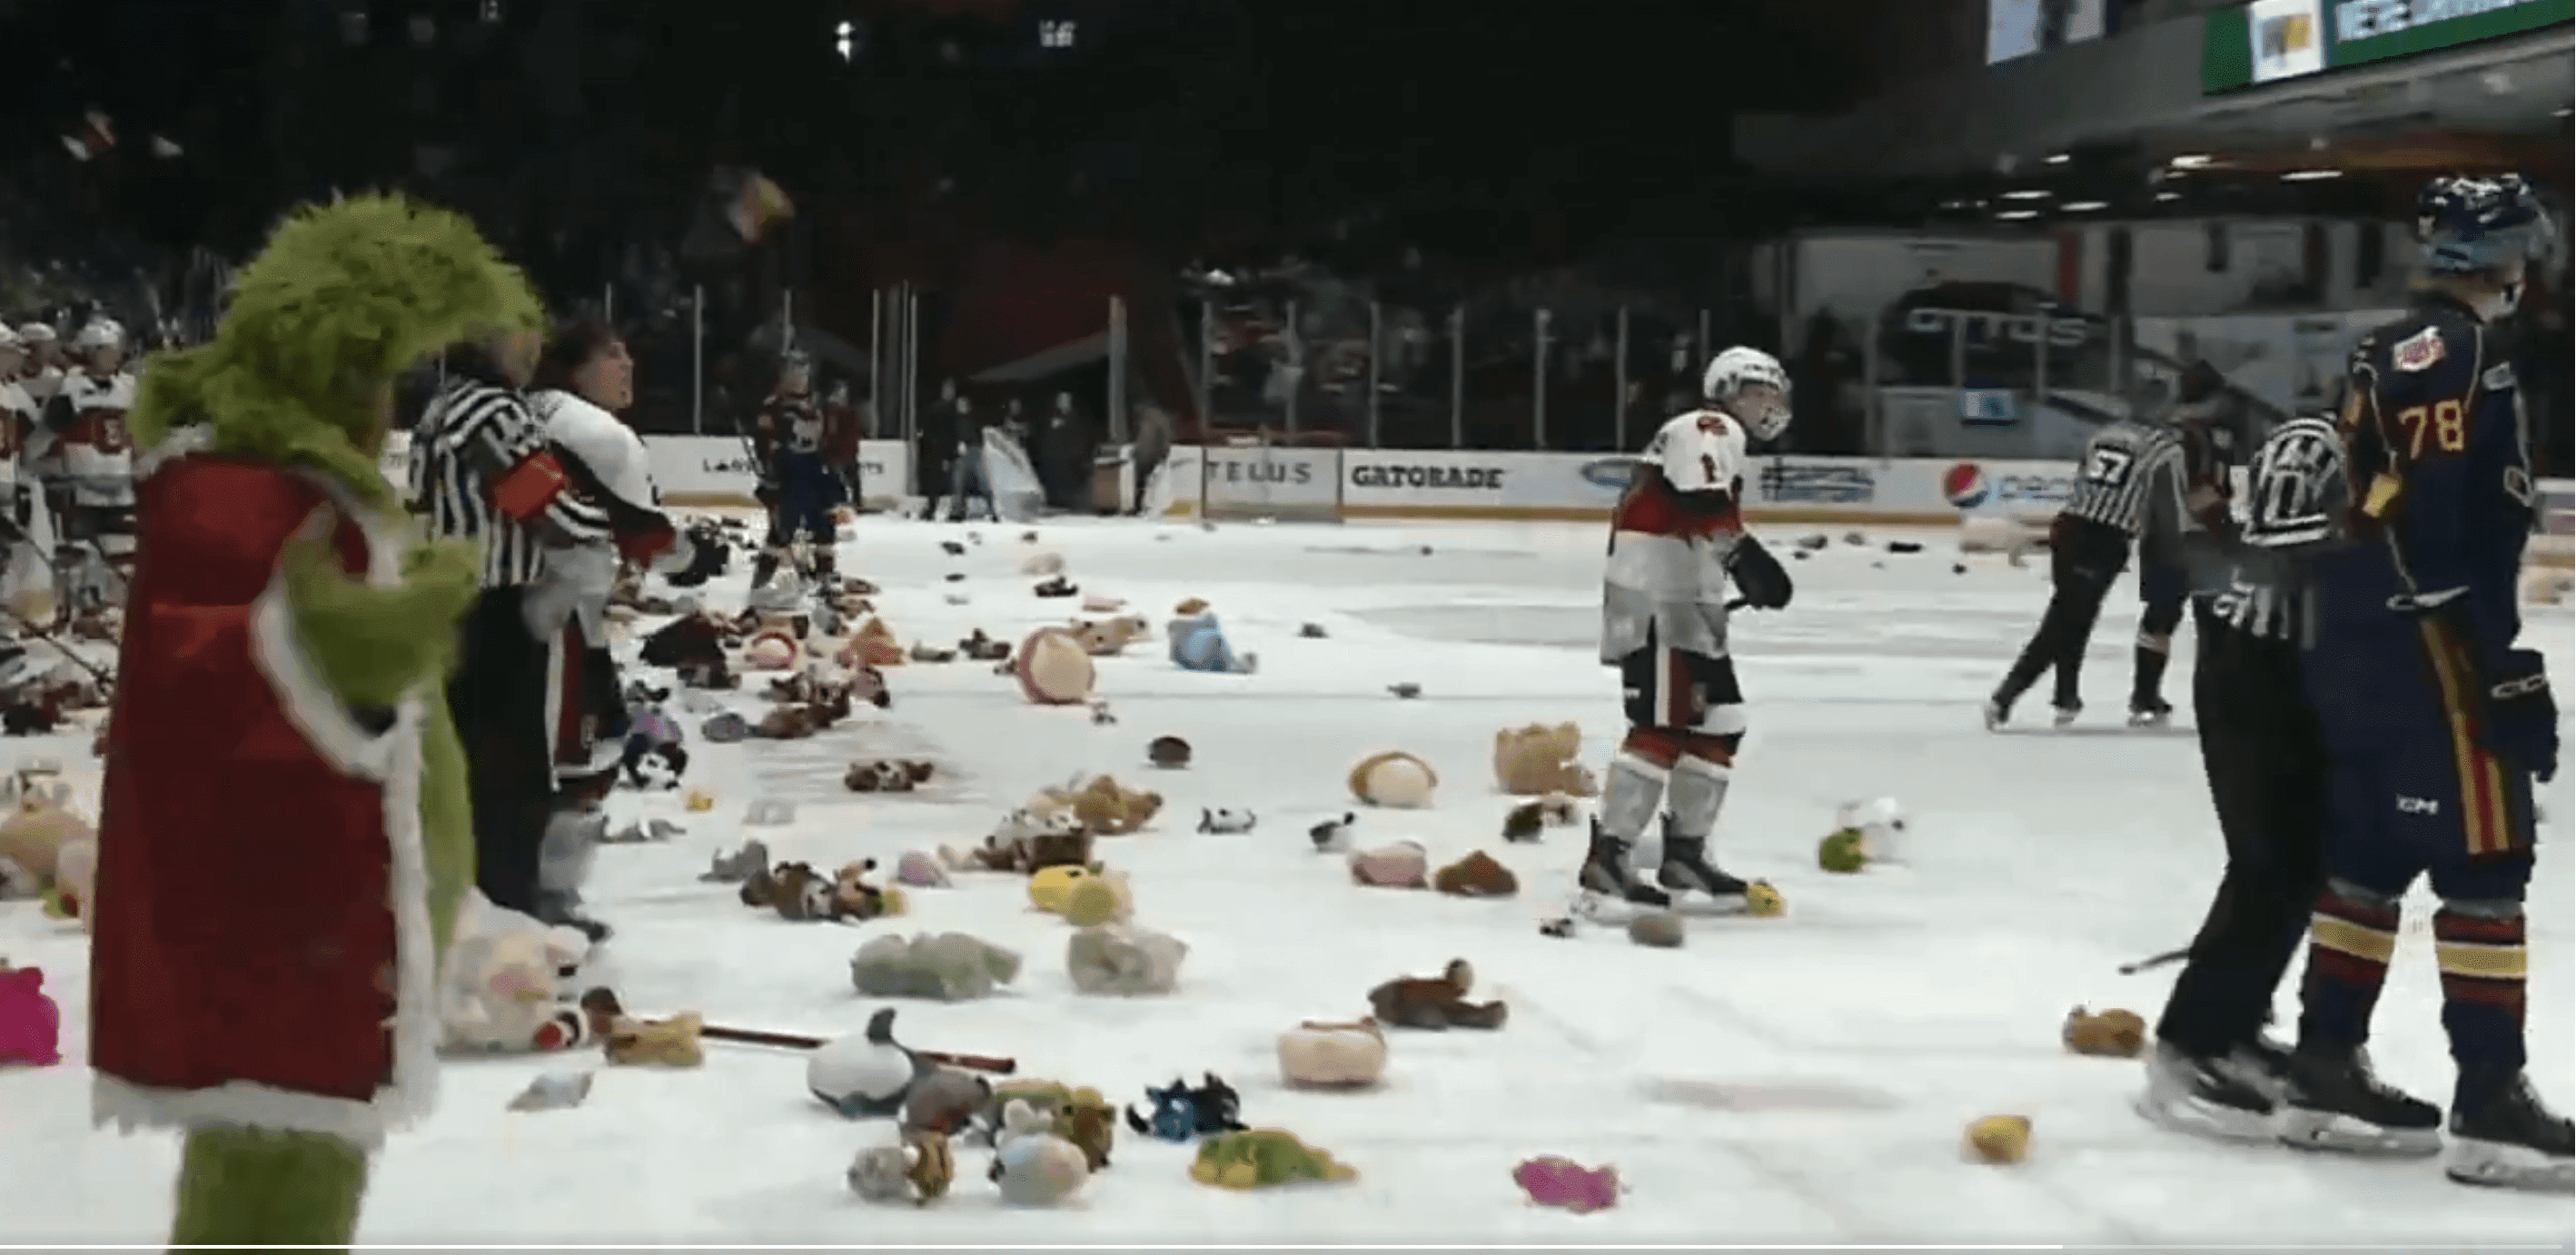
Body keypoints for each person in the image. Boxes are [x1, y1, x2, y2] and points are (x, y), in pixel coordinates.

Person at [92, 191, 495, 1248]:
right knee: (274, 1181)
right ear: (340, 368)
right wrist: (349, 655)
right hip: (294, 923)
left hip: (318, 919)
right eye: (385, 378)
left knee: (283, 1177)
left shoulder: (285, 482)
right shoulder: (247, 493)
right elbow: (210, 667)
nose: (393, 409)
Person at [2274, 173, 2568, 1191]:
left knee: (2368, 851)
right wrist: (2494, 661)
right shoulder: (2465, 351)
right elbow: (2436, 516)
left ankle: (2321, 1068)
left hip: (2354, 641)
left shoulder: (2383, 345)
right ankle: (2490, 1099)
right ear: (2508, 253)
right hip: (2429, 642)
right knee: (2487, 859)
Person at [2135, 408, 2344, 1141]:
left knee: (2277, 870)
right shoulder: (2320, 538)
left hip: (2240, 690)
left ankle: (2229, 1025)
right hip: (2259, 700)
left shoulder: (2262, 533)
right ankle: (2193, 1041)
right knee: (2275, 871)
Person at [411, 316, 616, 921]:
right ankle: (508, 906)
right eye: (520, 329)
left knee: (463, 762)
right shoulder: (493, 412)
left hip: (449, 602)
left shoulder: (442, 405)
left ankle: (463, 898)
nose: (535, 345)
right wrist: (609, 534)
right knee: (511, 768)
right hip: (497, 612)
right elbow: (547, 507)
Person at [1578, 346, 1796, 911]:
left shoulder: (1715, 434)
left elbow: (1696, 508)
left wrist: (1732, 566)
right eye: (1758, 391)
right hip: (1661, 602)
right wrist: (1746, 557)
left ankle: (1685, 853)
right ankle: (1610, 853)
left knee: (1721, 722)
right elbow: (1701, 497)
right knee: (1662, 725)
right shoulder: (1708, 426)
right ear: (1726, 391)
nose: (1768, 404)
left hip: (1686, 604)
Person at [525, 318, 679, 941]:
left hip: (505, 611)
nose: (628, 367)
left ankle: (515, 889)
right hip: (554, 619)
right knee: (578, 759)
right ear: (574, 366)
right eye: (612, 355)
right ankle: (546, 896)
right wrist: (684, 556)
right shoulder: (596, 432)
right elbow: (650, 536)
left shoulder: (523, 414)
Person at [1985, 410, 2187, 729]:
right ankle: (2005, 696)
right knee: (2065, 620)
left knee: (2073, 613)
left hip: (2068, 526)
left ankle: (2066, 696)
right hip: (2105, 538)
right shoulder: (2166, 448)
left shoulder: (2103, 434)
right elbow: (2170, 508)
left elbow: (2083, 477)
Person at [40, 319, 138, 619]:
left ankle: (118, 613)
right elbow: (50, 432)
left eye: (117, 350)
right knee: (74, 552)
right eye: (109, 350)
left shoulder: (129, 386)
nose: (116, 356)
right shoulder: (69, 386)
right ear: (91, 351)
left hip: (119, 482)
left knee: (123, 553)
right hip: (80, 483)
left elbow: (135, 433)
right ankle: (66, 612)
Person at [749, 351, 844, 588]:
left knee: (824, 527)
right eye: (794, 371)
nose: (800, 377)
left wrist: (834, 464)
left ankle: (824, 580)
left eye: (803, 372)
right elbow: (764, 444)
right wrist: (771, 473)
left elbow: (832, 439)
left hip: (816, 474)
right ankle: (760, 584)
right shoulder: (773, 407)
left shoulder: (820, 404)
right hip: (789, 476)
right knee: (782, 531)